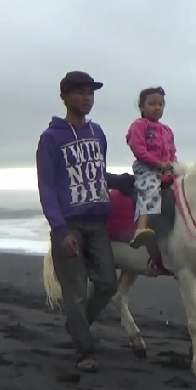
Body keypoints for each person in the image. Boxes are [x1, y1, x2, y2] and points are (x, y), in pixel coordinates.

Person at [36, 70, 125, 372]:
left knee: (107, 284)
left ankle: (77, 325)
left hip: (97, 221)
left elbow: (97, 175)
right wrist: (60, 230)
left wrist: (125, 182)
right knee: (74, 290)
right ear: (64, 96)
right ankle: (85, 351)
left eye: (91, 92)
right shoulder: (50, 138)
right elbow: (47, 187)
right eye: (80, 92)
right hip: (69, 225)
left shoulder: (97, 133)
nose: (87, 98)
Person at [125, 86, 178, 249]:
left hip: (165, 169)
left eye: (160, 104)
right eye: (152, 104)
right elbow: (139, 149)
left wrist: (174, 166)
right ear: (141, 106)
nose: (157, 107)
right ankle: (141, 228)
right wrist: (158, 163)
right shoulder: (139, 125)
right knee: (150, 188)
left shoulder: (167, 130)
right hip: (146, 168)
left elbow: (172, 151)